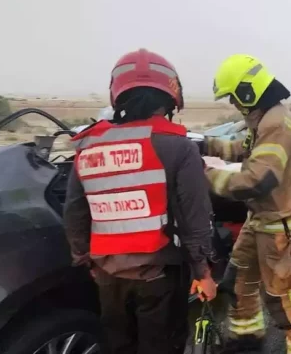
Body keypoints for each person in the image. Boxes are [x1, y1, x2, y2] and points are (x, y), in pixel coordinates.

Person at [64, 49, 217, 354]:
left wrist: (85, 259)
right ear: (171, 98)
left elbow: (75, 212)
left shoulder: (89, 146)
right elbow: (194, 220)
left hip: (108, 277)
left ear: (117, 95)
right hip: (159, 277)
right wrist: (204, 273)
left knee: (119, 346)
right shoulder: (178, 148)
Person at [203, 54, 291, 353]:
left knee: (290, 310)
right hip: (261, 222)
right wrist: (201, 146)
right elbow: (241, 150)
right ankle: (246, 344)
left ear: (247, 90)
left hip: (279, 228)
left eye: (233, 97)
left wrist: (204, 176)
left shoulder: (277, 124)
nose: (233, 104)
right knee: (238, 283)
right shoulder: (265, 120)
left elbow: (257, 180)